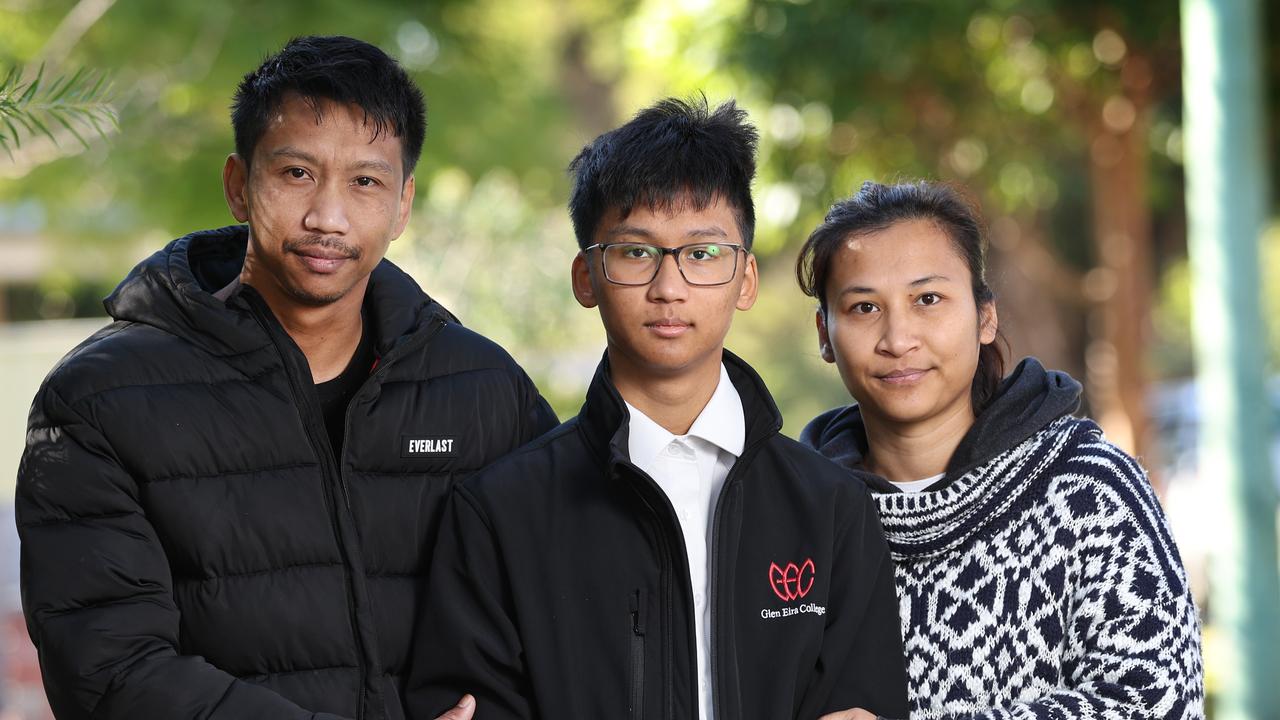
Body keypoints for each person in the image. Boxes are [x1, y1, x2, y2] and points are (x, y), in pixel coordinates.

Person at [16, 35, 555, 720]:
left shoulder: (481, 389)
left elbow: (560, 615)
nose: (327, 217)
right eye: (297, 174)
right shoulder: (99, 401)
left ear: (402, 205)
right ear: (240, 186)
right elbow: (111, 673)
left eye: (365, 182)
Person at [404, 97, 908, 720]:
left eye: (702, 254)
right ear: (586, 277)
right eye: (636, 252)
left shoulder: (830, 507)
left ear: (745, 278)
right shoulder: (499, 512)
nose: (669, 287)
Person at [796, 180, 1204, 719]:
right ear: (825, 333)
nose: (898, 338)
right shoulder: (795, 516)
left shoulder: (1088, 491)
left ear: (985, 317)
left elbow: (1160, 702)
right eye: (865, 307)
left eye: (928, 299)